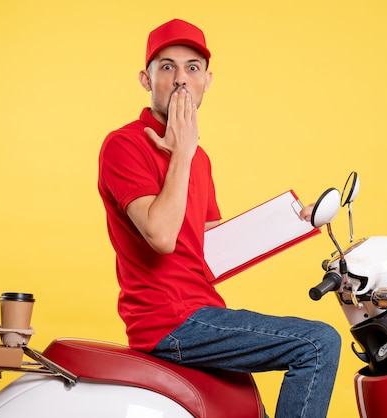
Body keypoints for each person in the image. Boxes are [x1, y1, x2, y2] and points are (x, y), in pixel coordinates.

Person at [97, 18, 341, 417]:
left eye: (192, 68)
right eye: (167, 67)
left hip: (204, 310)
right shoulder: (124, 145)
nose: (181, 80)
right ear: (146, 79)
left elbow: (211, 246)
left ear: (207, 81)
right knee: (317, 343)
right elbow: (160, 236)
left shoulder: (199, 159)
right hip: (167, 321)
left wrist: (295, 222)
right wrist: (181, 152)